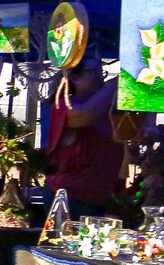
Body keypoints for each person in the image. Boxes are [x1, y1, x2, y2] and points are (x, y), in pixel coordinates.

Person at [43, 55, 124, 214]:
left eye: (102, 72)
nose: (100, 77)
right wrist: (116, 84)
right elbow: (86, 114)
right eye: (93, 72)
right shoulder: (63, 107)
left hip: (102, 198)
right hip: (69, 198)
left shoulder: (107, 108)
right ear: (75, 78)